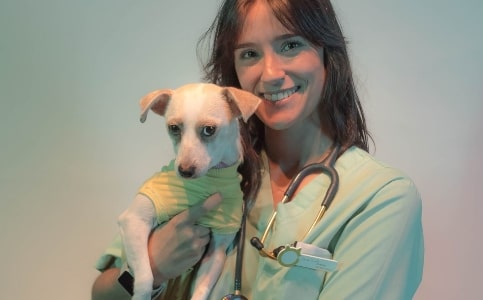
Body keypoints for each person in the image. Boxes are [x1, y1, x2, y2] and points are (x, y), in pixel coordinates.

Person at [92, 0, 424, 299]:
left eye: (291, 45)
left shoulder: (380, 200)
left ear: (327, 54)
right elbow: (103, 294)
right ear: (233, 69)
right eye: (249, 53)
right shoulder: (210, 171)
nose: (271, 74)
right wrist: (151, 268)